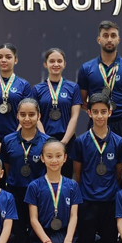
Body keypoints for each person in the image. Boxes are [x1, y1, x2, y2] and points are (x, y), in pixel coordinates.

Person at [70, 92, 122, 243]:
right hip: (87, 200)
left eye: (103, 111)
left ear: (110, 112)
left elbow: (118, 174)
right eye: (95, 112)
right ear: (89, 113)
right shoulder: (80, 142)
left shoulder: (119, 142)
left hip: (110, 200)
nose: (99, 116)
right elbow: (78, 174)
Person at [0, 98, 50, 243]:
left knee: (37, 241)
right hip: (16, 191)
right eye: (23, 114)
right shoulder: (8, 140)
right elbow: (7, 166)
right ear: (17, 116)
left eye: (31, 114)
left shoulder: (47, 142)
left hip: (39, 193)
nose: (27, 118)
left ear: (39, 116)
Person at [77, 20, 122, 140]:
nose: (109, 39)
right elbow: (82, 101)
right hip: (96, 123)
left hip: (121, 124)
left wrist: (119, 113)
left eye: (113, 35)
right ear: (99, 39)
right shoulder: (86, 68)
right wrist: (97, 113)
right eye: (105, 36)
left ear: (118, 39)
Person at [25, 138, 81, 243]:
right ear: (42, 158)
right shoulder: (34, 186)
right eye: (49, 156)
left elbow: (74, 216)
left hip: (64, 233)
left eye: (58, 156)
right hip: (43, 234)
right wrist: (46, 241)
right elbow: (33, 219)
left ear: (65, 158)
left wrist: (68, 240)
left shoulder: (72, 185)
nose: (54, 160)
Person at [33, 48, 82, 178]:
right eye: (52, 61)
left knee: (65, 178)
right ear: (45, 64)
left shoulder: (73, 88)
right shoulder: (37, 89)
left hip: (67, 140)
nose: (56, 64)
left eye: (59, 61)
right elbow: (35, 117)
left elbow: (74, 116)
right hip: (43, 139)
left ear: (64, 64)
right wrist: (45, 139)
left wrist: (64, 142)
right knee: (44, 179)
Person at [0, 43, 37, 153]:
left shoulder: (24, 85)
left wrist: (14, 140)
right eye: (0, 57)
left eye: (8, 57)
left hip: (18, 141)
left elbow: (26, 114)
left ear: (16, 60)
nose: (3, 60)